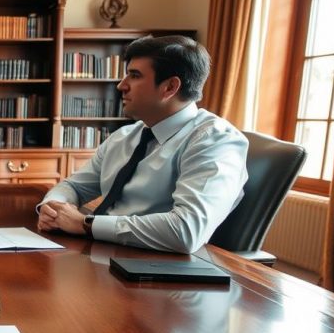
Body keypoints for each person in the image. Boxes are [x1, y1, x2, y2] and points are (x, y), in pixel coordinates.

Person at [37, 35, 248, 254]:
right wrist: (52, 207)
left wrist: (85, 224)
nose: (121, 85)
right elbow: (73, 186)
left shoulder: (215, 141)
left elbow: (186, 231)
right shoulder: (124, 136)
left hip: (158, 272)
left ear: (170, 87)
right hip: (103, 254)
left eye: (134, 75)